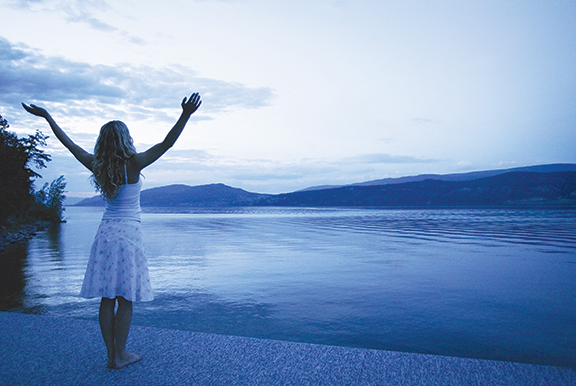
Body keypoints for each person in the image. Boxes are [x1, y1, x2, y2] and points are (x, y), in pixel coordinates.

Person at [22, 93, 202, 369]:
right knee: (126, 298)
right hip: (129, 236)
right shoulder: (135, 163)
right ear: (125, 139)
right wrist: (185, 115)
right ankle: (122, 354)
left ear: (103, 142)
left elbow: (69, 144)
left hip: (105, 234)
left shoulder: (97, 165)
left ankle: (111, 356)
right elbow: (167, 143)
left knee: (107, 298)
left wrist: (48, 117)